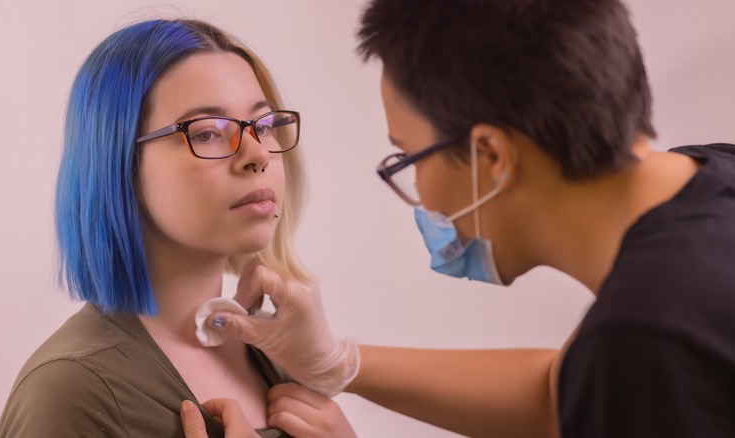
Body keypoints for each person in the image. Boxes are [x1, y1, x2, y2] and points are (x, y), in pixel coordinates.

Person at [185, 0, 735, 436]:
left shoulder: (651, 335)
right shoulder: (712, 175)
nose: (419, 191)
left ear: (492, 157)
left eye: (408, 158)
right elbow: (559, 397)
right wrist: (337, 363)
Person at [0, 18, 354, 437]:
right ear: (119, 164)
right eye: (206, 133)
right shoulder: (71, 390)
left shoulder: (280, 352)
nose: (257, 154)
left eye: (263, 125)